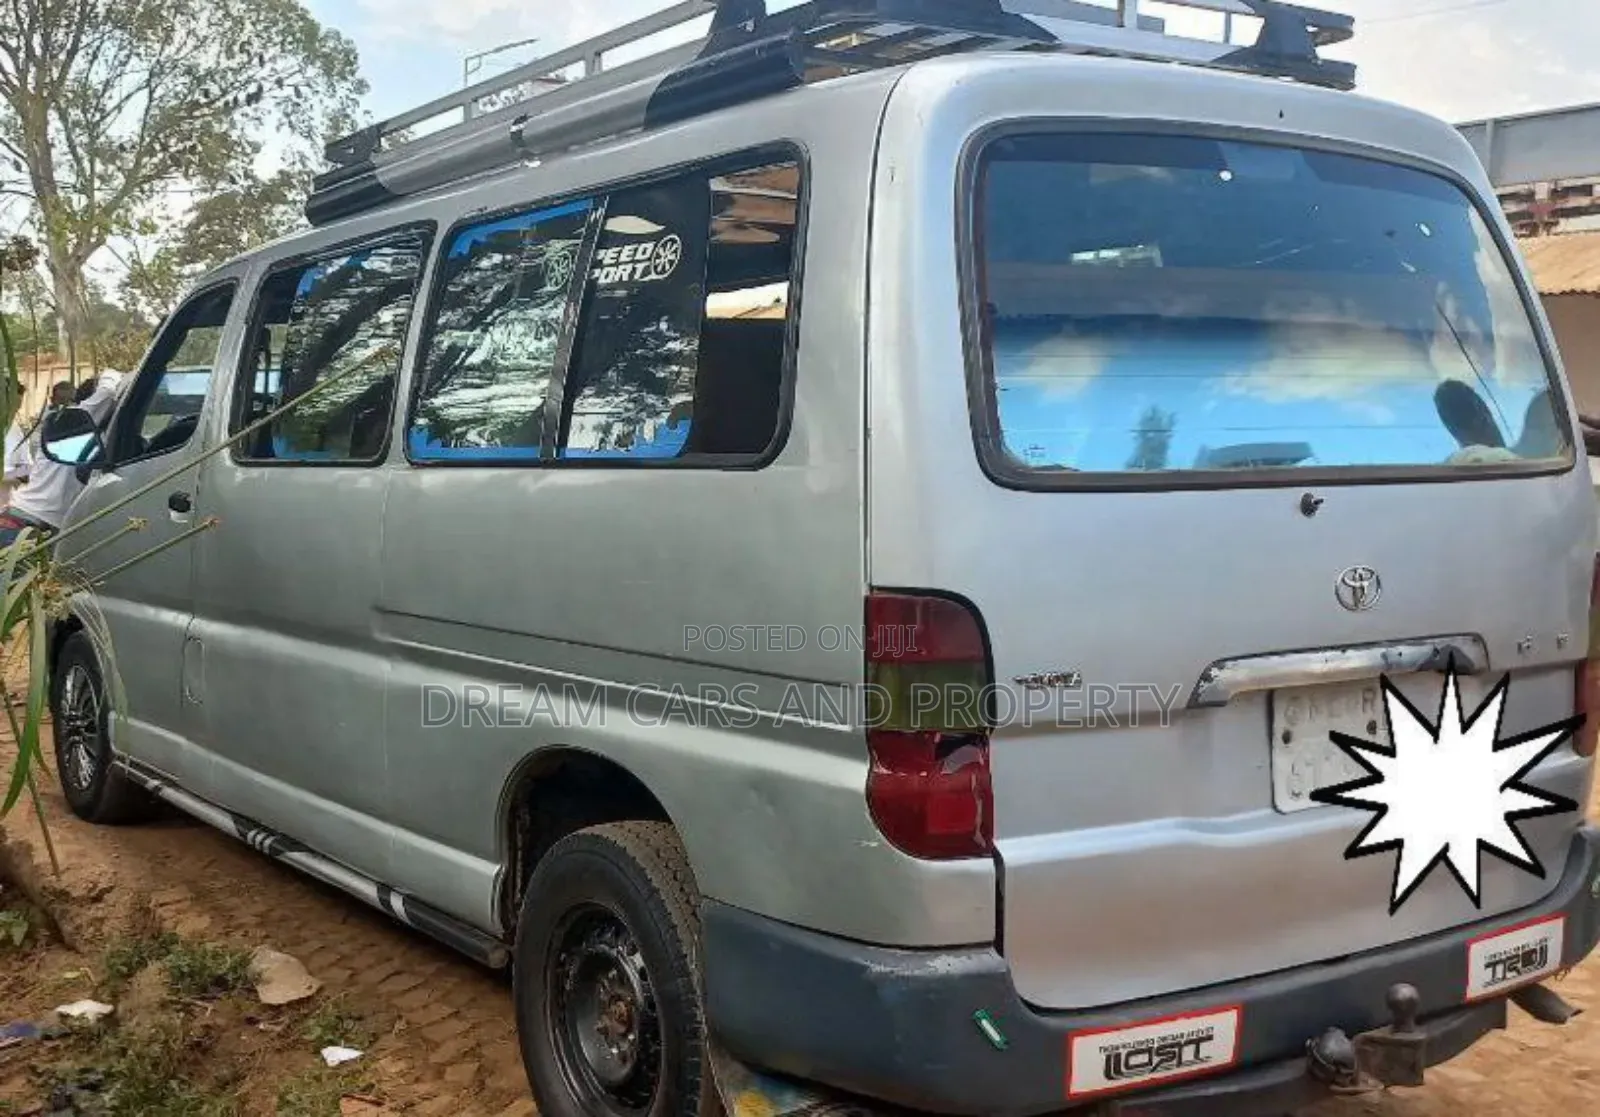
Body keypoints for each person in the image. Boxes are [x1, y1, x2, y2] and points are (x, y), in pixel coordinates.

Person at [0, 369, 126, 549]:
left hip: (42, 524)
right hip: (25, 524)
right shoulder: (69, 423)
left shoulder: (91, 437)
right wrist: (112, 374)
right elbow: (106, 394)